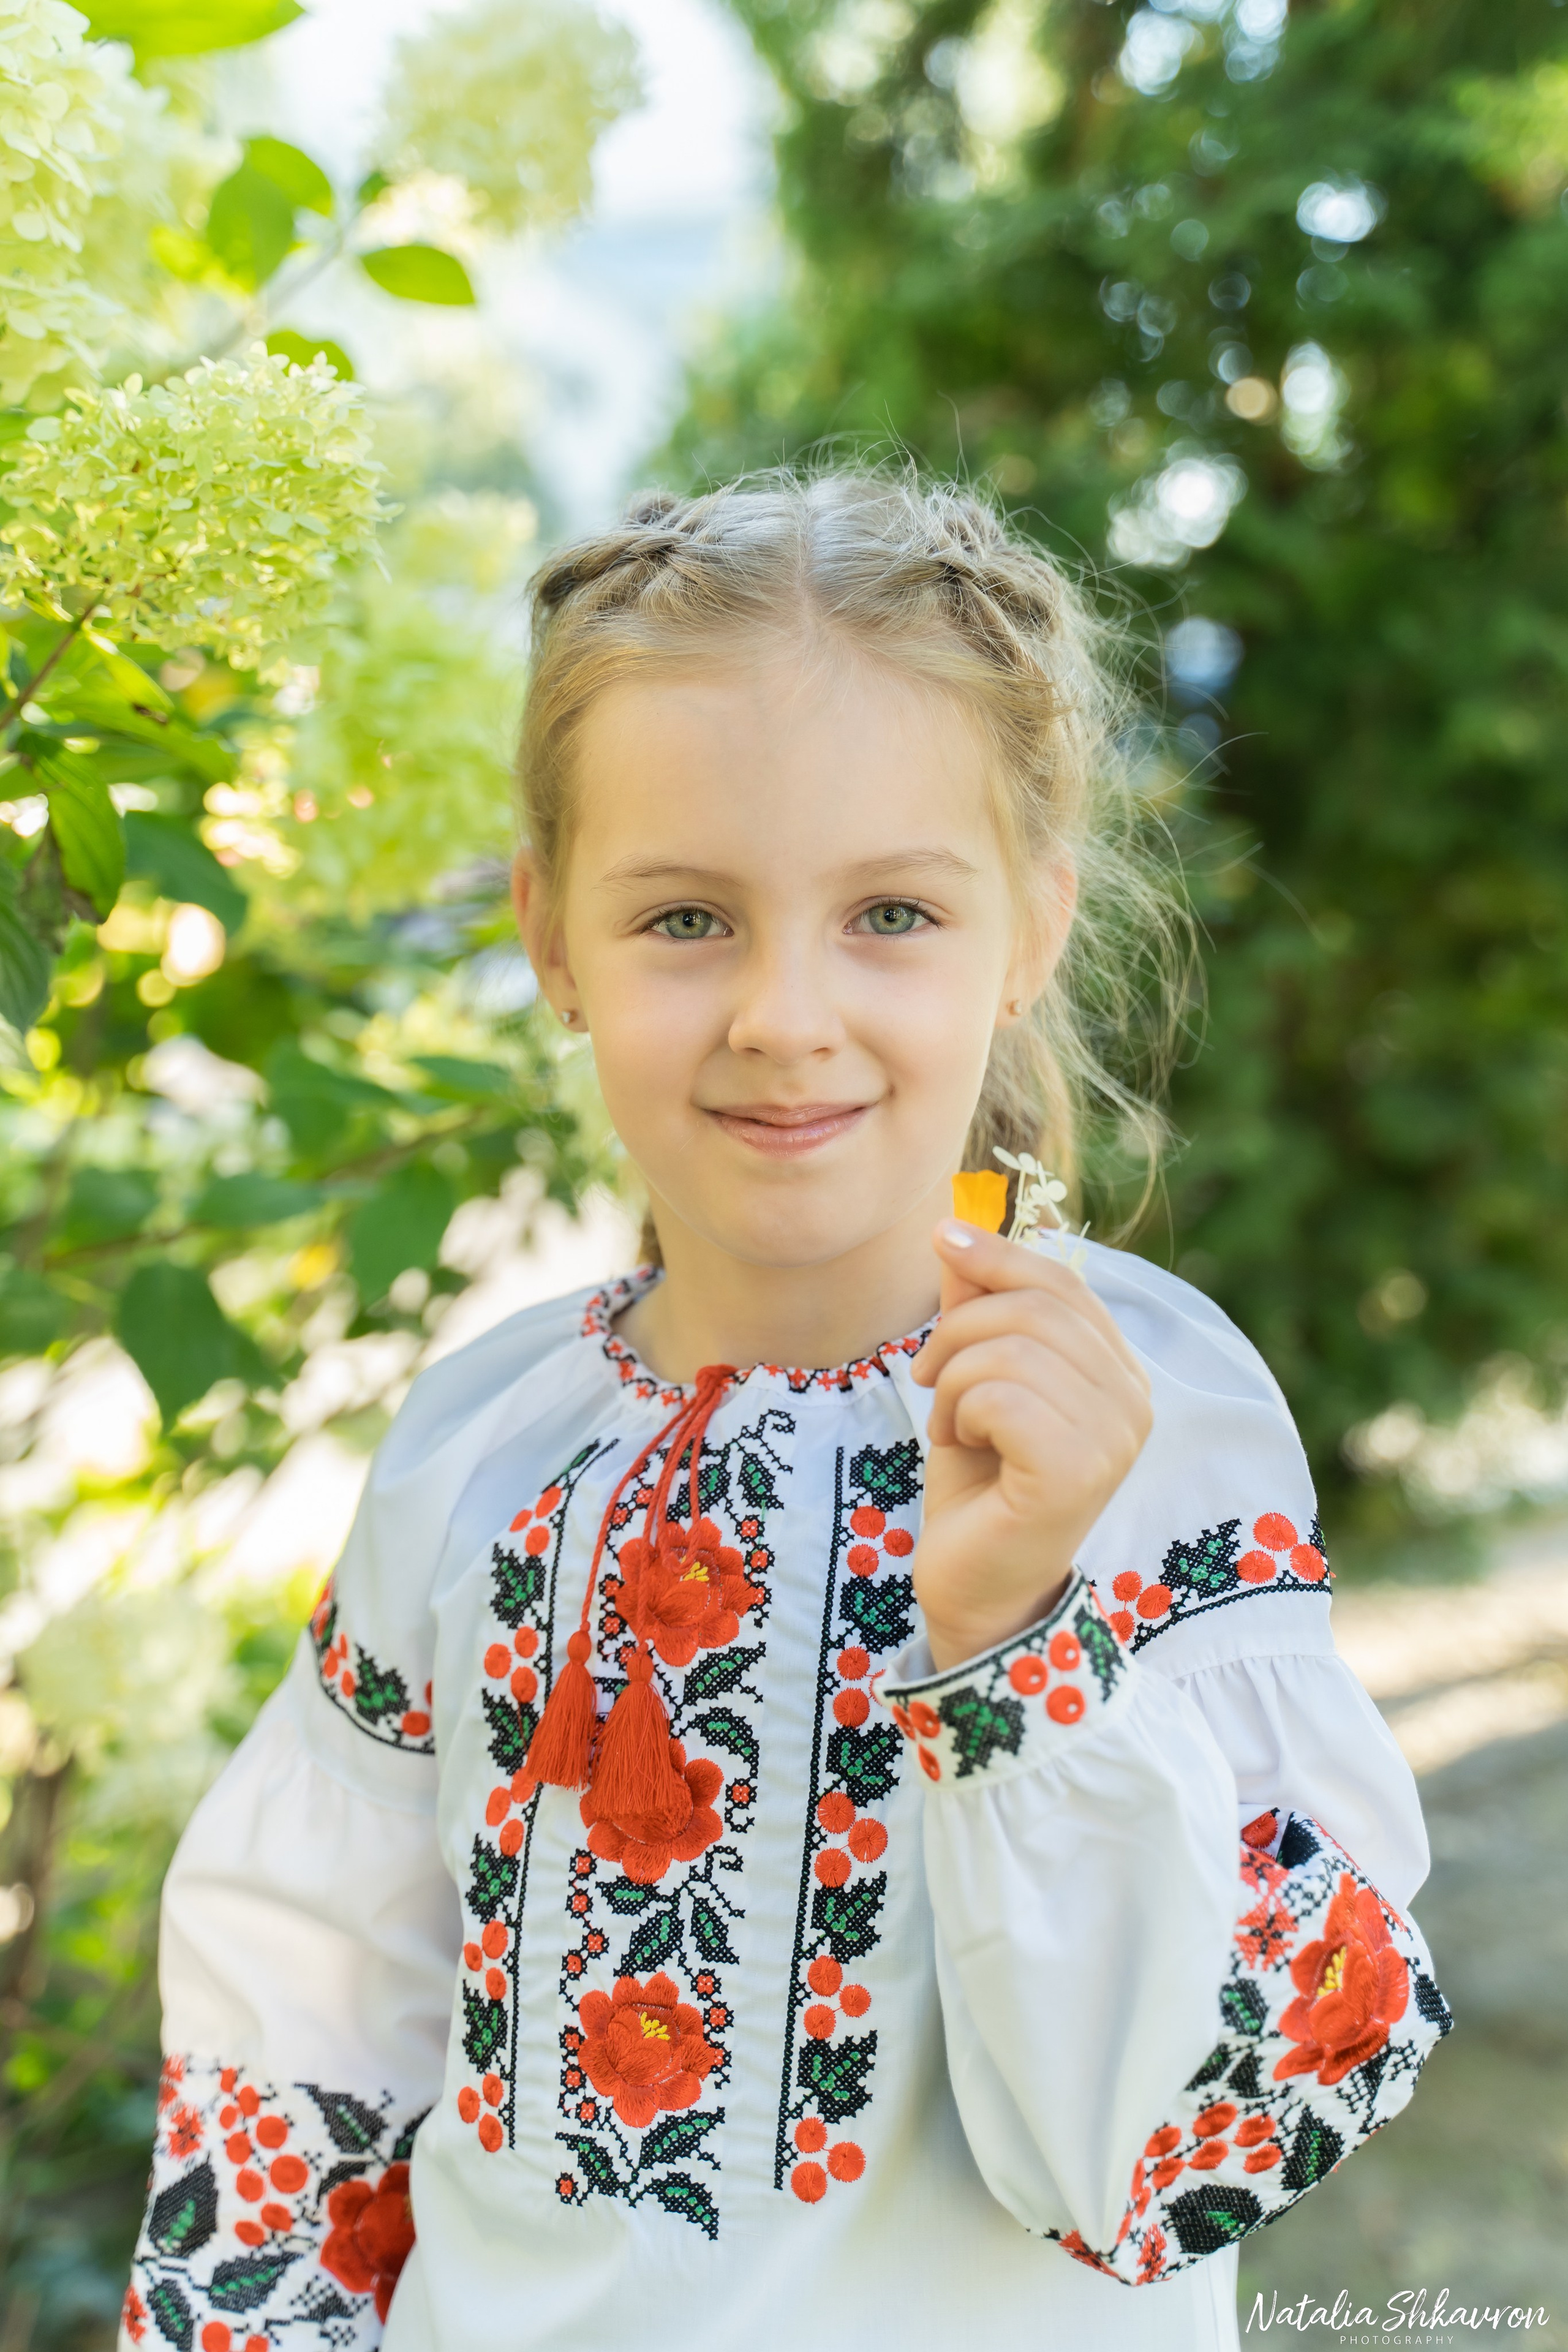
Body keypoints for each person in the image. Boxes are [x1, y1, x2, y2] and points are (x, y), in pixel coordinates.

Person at [121, 473, 1447, 2352]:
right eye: (686, 918)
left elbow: (1168, 2160)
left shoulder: (1141, 1429)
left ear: (1033, 933)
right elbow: (303, 2039)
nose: (785, 1014)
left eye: (893, 910)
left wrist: (1011, 1643)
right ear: (553, 940)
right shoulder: (479, 1449)